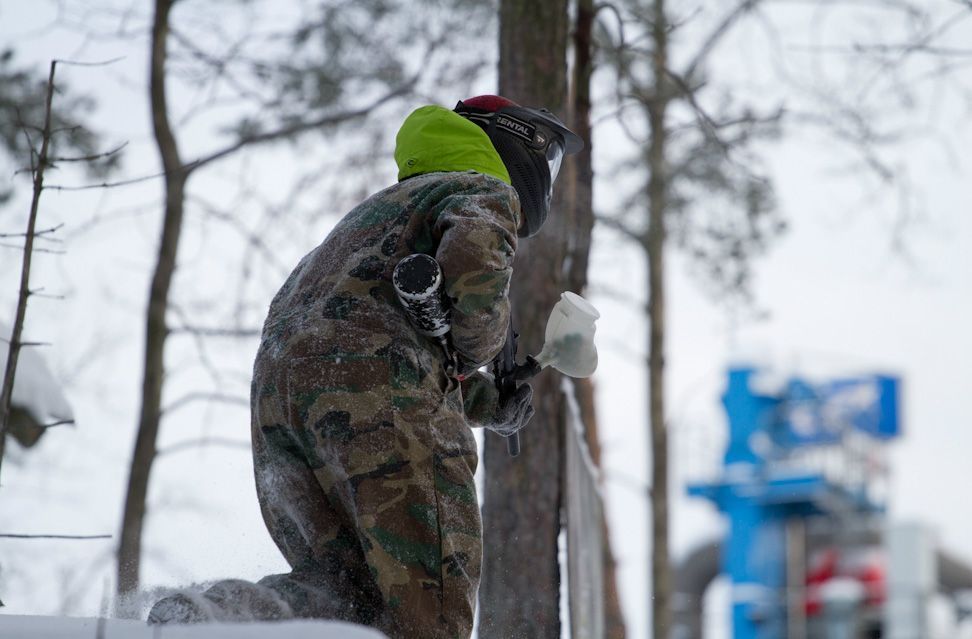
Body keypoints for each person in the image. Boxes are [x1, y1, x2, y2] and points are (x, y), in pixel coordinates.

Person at [148, 95, 582, 638]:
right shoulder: (482, 188)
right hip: (377, 396)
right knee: (433, 610)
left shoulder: (378, 212)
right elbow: (470, 273)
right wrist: (482, 348)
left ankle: (211, 618)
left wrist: (489, 401)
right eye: (550, 159)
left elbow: (371, 331)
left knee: (345, 594)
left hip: (281, 406)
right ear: (514, 142)